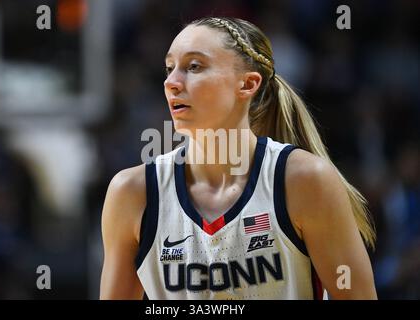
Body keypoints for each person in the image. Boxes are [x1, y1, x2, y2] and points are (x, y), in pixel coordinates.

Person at [99, 17, 377, 300]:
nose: (172, 82)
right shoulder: (133, 193)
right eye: (170, 68)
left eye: (194, 67)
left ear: (247, 84)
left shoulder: (304, 180)